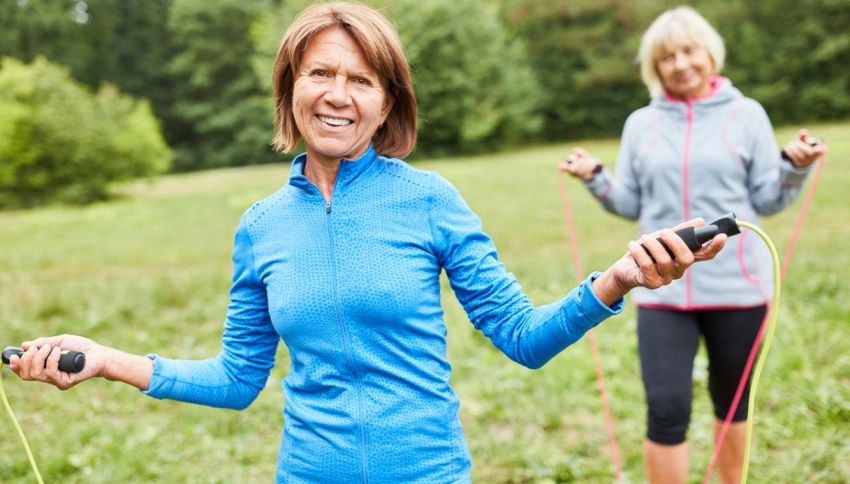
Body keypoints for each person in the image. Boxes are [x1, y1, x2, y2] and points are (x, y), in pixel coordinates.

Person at [11, 3, 726, 483]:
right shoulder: (260, 225)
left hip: (429, 471)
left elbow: (522, 337)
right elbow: (237, 381)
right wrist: (107, 361)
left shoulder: (429, 200)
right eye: (320, 73)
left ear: (388, 103)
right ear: (290, 87)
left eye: (361, 80)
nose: (337, 94)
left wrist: (621, 278)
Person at [560, 6, 824, 484]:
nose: (680, 64)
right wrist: (596, 177)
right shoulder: (640, 123)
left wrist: (794, 165)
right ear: (654, 68)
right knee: (665, 408)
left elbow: (768, 197)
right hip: (663, 288)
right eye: (667, 57)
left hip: (738, 289)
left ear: (710, 53)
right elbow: (629, 203)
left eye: (689, 51)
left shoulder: (748, 115)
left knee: (732, 403)